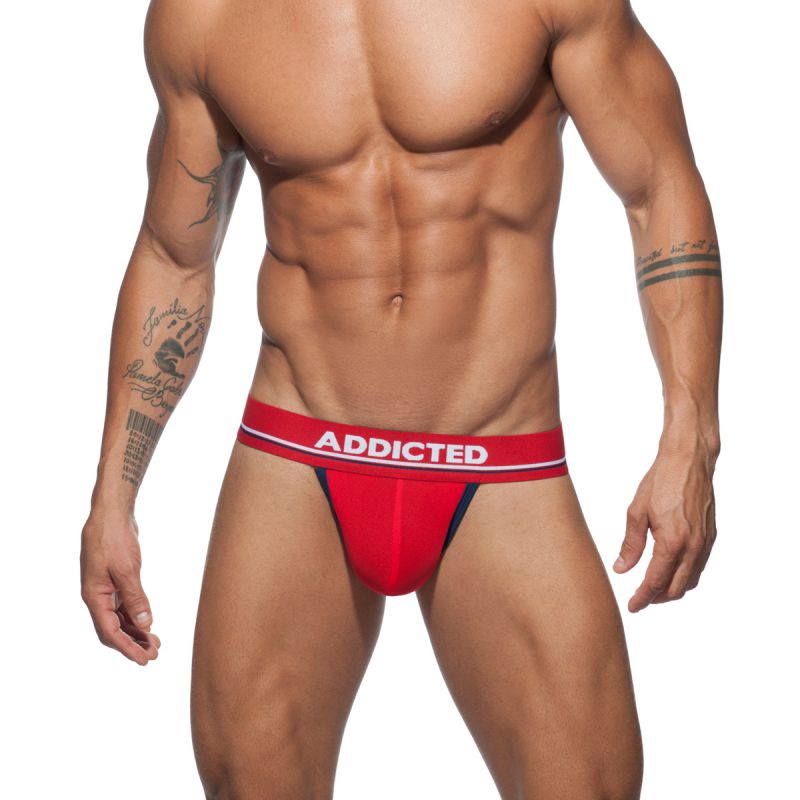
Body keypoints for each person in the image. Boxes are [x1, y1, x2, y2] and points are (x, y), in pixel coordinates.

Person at [80, 0, 722, 796]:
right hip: (298, 453)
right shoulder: (205, 16)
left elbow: (658, 186)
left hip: (498, 458)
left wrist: (691, 435)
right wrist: (113, 496)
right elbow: (174, 257)